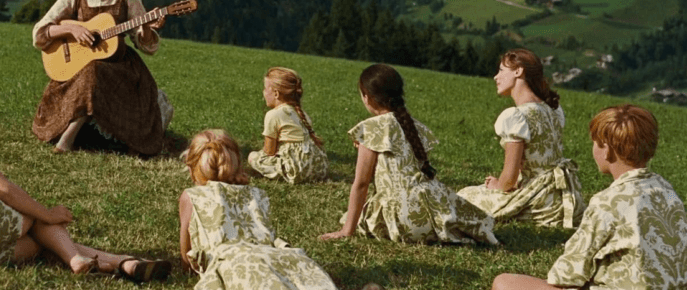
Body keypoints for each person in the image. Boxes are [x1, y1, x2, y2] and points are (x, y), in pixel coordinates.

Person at [0, 71, 171, 281]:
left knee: (34, 244)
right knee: (33, 215)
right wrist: (48, 213)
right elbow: (3, 188)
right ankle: (92, 259)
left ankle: (119, 263)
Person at [492, 104, 687, 290]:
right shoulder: (668, 192)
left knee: (504, 283)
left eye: (595, 143)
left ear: (607, 149)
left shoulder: (607, 202)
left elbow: (567, 274)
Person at [319, 64, 498, 245]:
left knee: (353, 218)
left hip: (404, 218)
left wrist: (346, 230)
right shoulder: (414, 126)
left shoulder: (372, 128)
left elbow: (362, 183)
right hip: (433, 210)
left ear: (368, 97)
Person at [31, 0, 171, 155]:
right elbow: (39, 34)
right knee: (91, 70)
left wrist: (146, 26)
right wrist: (72, 28)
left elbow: (145, 45)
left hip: (120, 71)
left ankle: (69, 138)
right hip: (78, 69)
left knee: (94, 70)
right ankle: (74, 131)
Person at [179, 129, 337, 290]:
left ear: (191, 168)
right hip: (274, 257)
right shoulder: (256, 194)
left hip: (234, 264)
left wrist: (189, 269)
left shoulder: (192, 196)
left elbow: (186, 255)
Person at [457, 48, 585, 229]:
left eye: (501, 70)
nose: (496, 77)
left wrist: (497, 186)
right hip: (563, 197)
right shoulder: (553, 110)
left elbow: (508, 180)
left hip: (540, 202)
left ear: (518, 71)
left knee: (464, 196)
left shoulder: (517, 116)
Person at [246, 67, 328, 184]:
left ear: (276, 93)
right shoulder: (301, 113)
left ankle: (286, 172)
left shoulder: (273, 115)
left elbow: (269, 152)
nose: (263, 92)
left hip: (297, 171)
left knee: (253, 156)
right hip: (318, 169)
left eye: (265, 88)